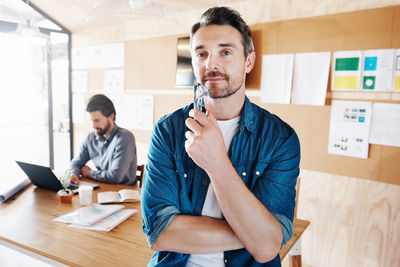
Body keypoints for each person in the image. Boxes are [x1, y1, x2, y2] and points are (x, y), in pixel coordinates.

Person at [141, 6, 300, 267]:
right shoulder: (167, 131)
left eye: (225, 52)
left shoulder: (280, 139)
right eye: (201, 53)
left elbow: (266, 250)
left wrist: (217, 163)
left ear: (249, 61)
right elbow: (160, 233)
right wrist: (252, 233)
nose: (210, 64)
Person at [69, 94, 137, 186]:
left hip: (125, 194)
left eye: (97, 120)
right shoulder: (90, 137)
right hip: (102, 188)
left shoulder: (125, 138)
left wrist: (89, 173)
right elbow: (76, 163)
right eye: (92, 121)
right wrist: (74, 173)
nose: (94, 126)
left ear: (111, 117)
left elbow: (115, 177)